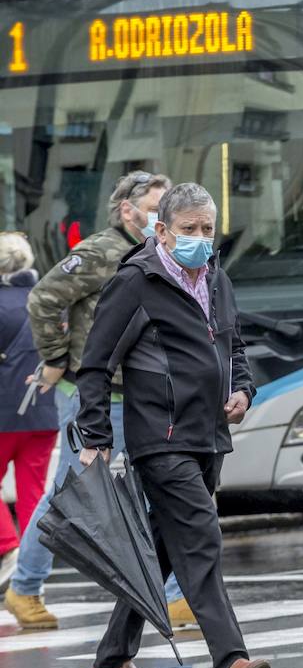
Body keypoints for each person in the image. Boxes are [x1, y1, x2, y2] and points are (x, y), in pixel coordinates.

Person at [76, 182, 269, 668]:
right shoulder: (136, 282)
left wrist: (244, 389)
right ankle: (230, 661)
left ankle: (112, 657)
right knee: (201, 537)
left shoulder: (217, 278)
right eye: (190, 230)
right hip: (159, 439)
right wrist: (94, 435)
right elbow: (95, 365)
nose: (201, 239)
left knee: (164, 545)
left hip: (208, 437)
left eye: (208, 229)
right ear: (162, 231)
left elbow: (234, 345)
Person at [3, 172, 194, 631]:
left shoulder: (161, 253)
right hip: (101, 395)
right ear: (128, 210)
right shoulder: (98, 252)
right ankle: (25, 586)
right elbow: (45, 298)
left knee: (161, 489)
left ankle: (172, 594)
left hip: (148, 393)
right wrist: (55, 358)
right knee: (72, 492)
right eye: (155, 205)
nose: (162, 214)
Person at [0, 233, 58, 589]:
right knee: (33, 492)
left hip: (3, 414)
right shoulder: (46, 300)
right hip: (42, 411)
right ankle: (33, 565)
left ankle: (10, 548)